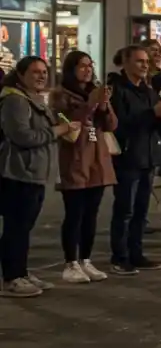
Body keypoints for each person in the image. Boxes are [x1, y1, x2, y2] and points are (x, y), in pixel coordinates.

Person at [0, 57, 81, 297]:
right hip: (18, 173)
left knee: (24, 227)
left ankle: (21, 272)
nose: (42, 76)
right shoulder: (15, 100)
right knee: (17, 227)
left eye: (44, 72)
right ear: (21, 74)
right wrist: (59, 129)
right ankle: (12, 277)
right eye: (35, 72)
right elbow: (23, 136)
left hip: (34, 173)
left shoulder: (33, 99)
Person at [50, 51, 117, 284]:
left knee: (91, 214)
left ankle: (86, 259)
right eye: (82, 66)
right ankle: (71, 263)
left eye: (90, 65)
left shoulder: (95, 92)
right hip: (75, 159)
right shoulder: (59, 95)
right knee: (75, 213)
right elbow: (66, 122)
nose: (87, 70)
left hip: (98, 160)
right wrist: (91, 104)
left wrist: (105, 105)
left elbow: (111, 125)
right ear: (71, 68)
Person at [110, 45, 161, 275]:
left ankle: (136, 253)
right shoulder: (118, 91)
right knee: (125, 209)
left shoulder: (148, 91)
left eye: (146, 61)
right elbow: (119, 125)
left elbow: (153, 125)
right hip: (128, 156)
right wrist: (153, 114)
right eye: (139, 61)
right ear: (126, 63)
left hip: (148, 157)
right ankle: (119, 256)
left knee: (141, 210)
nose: (144, 65)